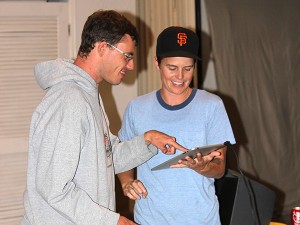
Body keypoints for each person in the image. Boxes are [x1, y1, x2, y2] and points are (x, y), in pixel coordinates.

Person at [21, 11, 187, 225]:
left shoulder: (88, 95)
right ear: (102, 48)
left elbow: (106, 158)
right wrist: (113, 221)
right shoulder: (69, 100)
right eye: (126, 56)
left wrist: (148, 140)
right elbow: (53, 189)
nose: (131, 66)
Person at [117, 26, 236, 225]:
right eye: (172, 68)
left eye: (187, 68)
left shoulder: (212, 106)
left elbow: (220, 168)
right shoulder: (137, 108)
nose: (180, 77)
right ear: (157, 63)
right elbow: (121, 156)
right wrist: (126, 181)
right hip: (149, 219)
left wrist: (203, 166)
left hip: (201, 219)